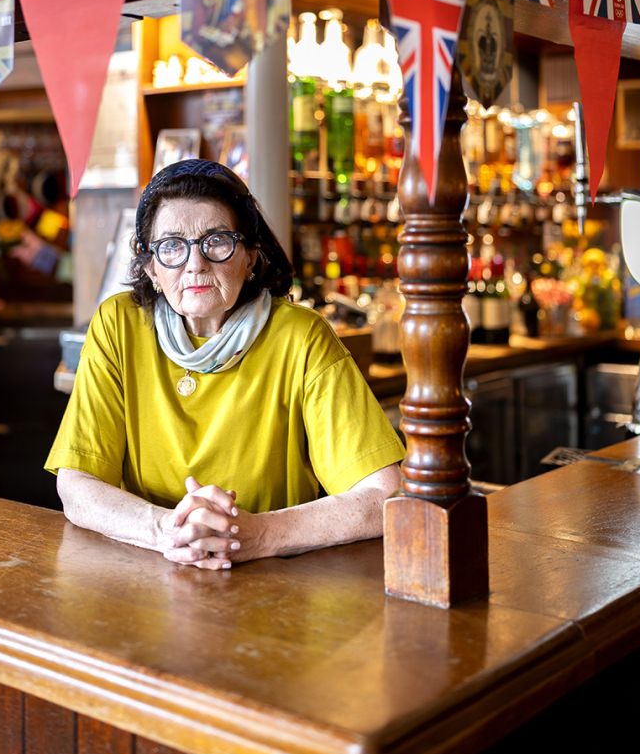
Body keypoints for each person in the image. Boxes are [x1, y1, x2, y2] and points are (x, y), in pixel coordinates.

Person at [45, 159, 405, 570]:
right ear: (151, 268)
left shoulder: (301, 337)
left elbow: (383, 494)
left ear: (251, 256)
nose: (195, 264)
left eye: (216, 241)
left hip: (277, 580)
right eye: (172, 246)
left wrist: (256, 535)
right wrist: (167, 531)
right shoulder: (117, 324)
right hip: (146, 577)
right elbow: (77, 484)